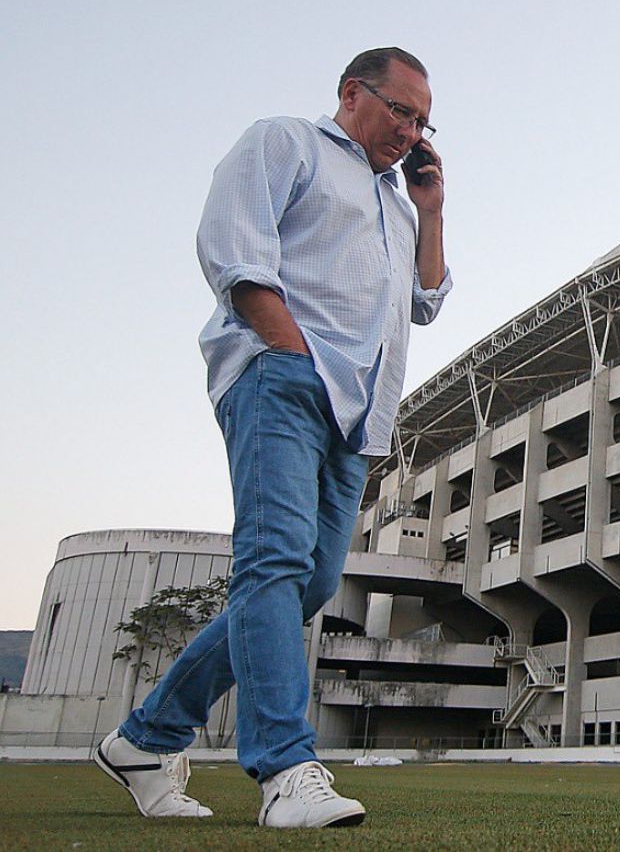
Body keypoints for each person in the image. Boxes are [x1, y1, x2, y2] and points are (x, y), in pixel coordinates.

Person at [93, 46, 451, 829]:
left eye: (423, 120)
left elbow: (426, 301)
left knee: (311, 583)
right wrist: (287, 350)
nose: (412, 130)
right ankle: (287, 767)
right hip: (283, 379)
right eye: (402, 110)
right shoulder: (285, 142)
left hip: (360, 416)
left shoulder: (397, 200)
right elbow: (232, 245)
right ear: (353, 92)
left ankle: (146, 737)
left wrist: (430, 209)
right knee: (275, 561)